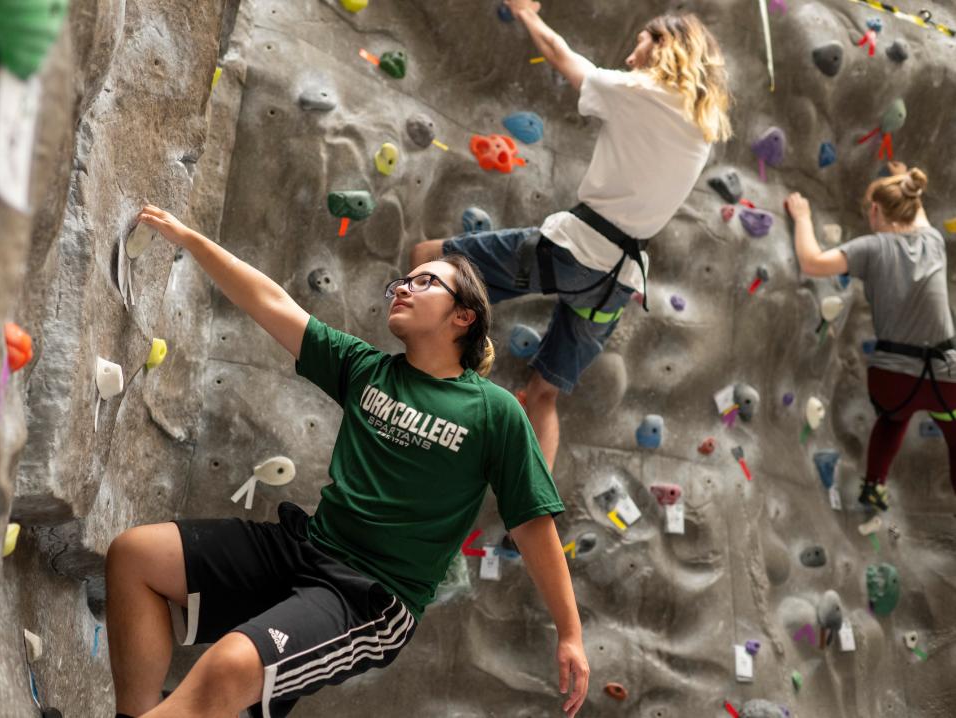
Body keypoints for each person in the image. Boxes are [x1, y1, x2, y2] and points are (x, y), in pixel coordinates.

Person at [105, 205, 590, 718]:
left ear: (463, 317)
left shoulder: (497, 413)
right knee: (135, 556)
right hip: (307, 547)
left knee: (227, 668)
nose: (402, 287)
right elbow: (271, 302)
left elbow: (533, 523)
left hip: (370, 597)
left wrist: (571, 633)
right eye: (401, 281)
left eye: (424, 282)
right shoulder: (364, 368)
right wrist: (189, 238)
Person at [410, 2, 733, 471]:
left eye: (641, 41)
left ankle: (420, 393)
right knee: (543, 393)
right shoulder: (702, 126)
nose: (630, 56)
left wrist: (525, 13)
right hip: (616, 283)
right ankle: (532, 512)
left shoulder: (641, 91)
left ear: (665, 45)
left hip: (574, 249)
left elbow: (560, 54)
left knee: (427, 260)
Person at [785, 164, 956, 512]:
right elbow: (916, 212)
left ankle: (874, 484)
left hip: (893, 384)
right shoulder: (933, 241)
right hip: (946, 378)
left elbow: (813, 262)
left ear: (876, 211)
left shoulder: (872, 248)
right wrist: (906, 178)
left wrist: (802, 217)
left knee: (893, 418)